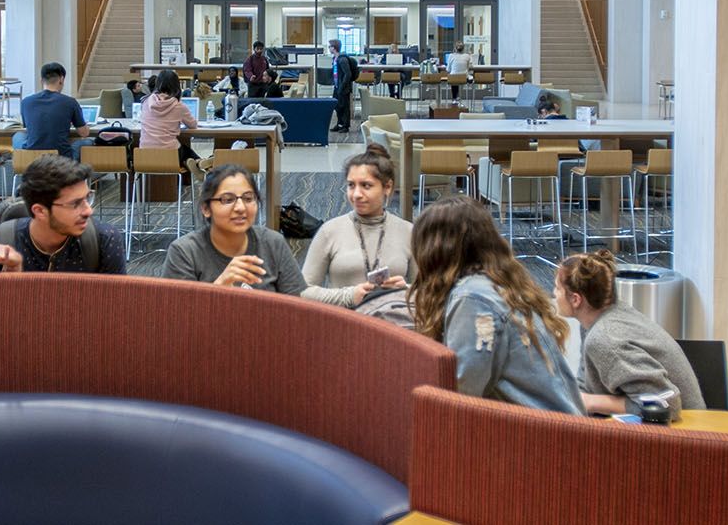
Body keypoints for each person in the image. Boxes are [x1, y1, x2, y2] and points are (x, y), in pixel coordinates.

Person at [408, 196, 583, 413]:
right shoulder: (498, 284)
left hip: (540, 435)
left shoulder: (472, 300)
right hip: (556, 426)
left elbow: (461, 395)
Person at [555, 250, 704, 417]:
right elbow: (586, 384)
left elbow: (667, 405)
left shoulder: (605, 339)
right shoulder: (595, 321)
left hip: (683, 433)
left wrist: (590, 402)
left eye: (557, 288)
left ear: (576, 299)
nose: (554, 293)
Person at [0, 155, 127, 274]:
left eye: (87, 198)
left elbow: (113, 309)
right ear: (40, 211)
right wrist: (13, 270)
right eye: (75, 204)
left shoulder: (104, 240)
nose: (88, 211)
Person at [302, 144, 415, 307]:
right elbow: (303, 291)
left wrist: (404, 290)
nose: (356, 194)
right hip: (344, 324)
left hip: (391, 324)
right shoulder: (330, 231)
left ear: (387, 187)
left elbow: (426, 291)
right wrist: (348, 296)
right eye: (351, 185)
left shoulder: (408, 232)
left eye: (366, 186)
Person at [164, 164, 306, 294]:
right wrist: (219, 287)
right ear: (206, 208)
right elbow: (178, 317)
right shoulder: (185, 252)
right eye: (227, 200)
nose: (240, 208)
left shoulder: (273, 243)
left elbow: (299, 310)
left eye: (248, 198)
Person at [19, 61, 89, 159]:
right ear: (62, 79)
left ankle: (23, 162)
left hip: (33, 158)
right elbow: (84, 133)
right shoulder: (70, 102)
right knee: (87, 141)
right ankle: (78, 172)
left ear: (41, 80)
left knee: (18, 137)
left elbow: (29, 127)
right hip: (61, 158)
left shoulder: (26, 102)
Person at [140, 69, 201, 169]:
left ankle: (197, 163)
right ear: (177, 85)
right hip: (170, 153)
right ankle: (200, 163)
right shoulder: (178, 106)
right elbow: (193, 125)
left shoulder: (146, 102)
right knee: (185, 150)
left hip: (144, 154)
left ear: (157, 83)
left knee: (184, 151)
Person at [328, 38, 359, 134]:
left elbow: (348, 74)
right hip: (337, 86)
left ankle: (345, 126)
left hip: (343, 87)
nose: (329, 48)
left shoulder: (342, 59)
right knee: (337, 106)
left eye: (330, 46)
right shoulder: (335, 58)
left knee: (345, 106)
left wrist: (342, 85)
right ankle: (340, 123)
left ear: (334, 47)